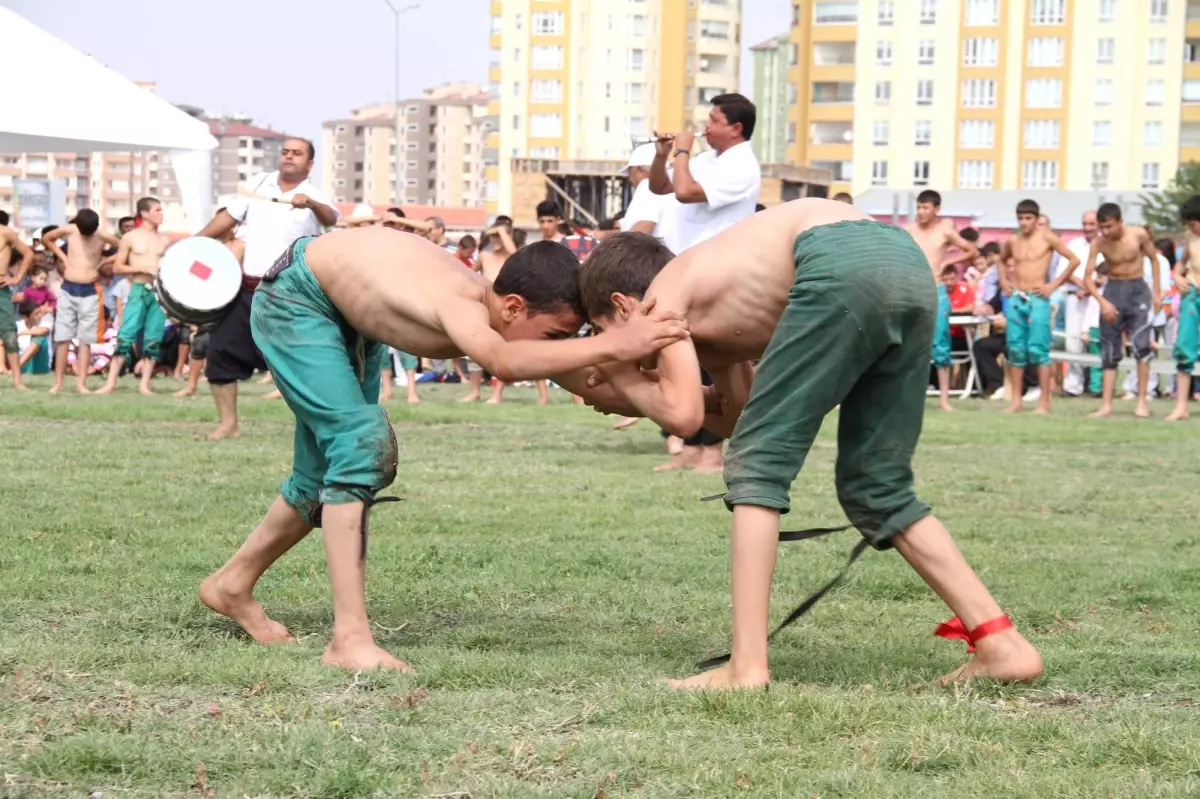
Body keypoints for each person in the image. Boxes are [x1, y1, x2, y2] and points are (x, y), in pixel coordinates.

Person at [570, 200, 1042, 690]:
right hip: (901, 260)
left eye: (605, 335)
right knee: (876, 485)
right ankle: (1001, 644)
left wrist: (621, 383)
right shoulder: (709, 307)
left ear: (624, 305)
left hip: (837, 256)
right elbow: (736, 413)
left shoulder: (662, 297)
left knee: (757, 469)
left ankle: (746, 668)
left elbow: (686, 416)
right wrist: (636, 395)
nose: (611, 348)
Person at [198, 229, 688, 672]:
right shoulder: (464, 304)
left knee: (323, 473)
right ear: (514, 307)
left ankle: (231, 584)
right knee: (359, 447)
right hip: (298, 297)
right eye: (558, 335)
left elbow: (591, 383)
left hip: (345, 318)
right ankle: (348, 640)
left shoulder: (513, 323)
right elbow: (505, 361)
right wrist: (621, 345)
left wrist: (705, 403)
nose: (562, 346)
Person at [647, 93, 762, 472]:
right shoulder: (709, 159)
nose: (705, 126)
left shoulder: (742, 165)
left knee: (714, 360)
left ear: (736, 128)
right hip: (687, 268)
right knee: (686, 361)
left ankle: (712, 451)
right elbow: (661, 187)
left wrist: (681, 152)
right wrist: (665, 155)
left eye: (713, 120)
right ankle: (693, 448)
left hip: (720, 272)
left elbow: (685, 192)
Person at [193, 137, 337, 438]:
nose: (288, 157)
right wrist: (195, 242)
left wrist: (308, 203)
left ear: (309, 164)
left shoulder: (313, 195)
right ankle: (228, 424)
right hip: (246, 288)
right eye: (285, 152)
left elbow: (331, 219)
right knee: (219, 352)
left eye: (296, 154)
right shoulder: (258, 184)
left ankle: (320, 427)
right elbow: (228, 218)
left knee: (303, 362)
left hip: (290, 292)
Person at [997, 199, 1080, 414]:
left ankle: (1044, 403)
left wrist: (1052, 285)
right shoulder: (1013, 241)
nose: (1024, 222)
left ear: (1036, 218)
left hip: (1038, 298)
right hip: (1017, 297)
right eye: (1021, 218)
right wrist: (1004, 281)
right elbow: (1000, 260)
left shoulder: (1047, 238)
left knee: (1039, 350)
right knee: (1015, 349)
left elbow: (1074, 260)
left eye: (1028, 218)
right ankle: (1016, 401)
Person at [1082, 203, 1163, 419]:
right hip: (1113, 290)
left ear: (1120, 222)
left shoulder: (1138, 235)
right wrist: (1102, 301)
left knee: (1141, 346)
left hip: (1138, 290)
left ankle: (1142, 401)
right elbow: (1087, 278)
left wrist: (1156, 293)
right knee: (1108, 349)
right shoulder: (1099, 243)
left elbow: (1154, 260)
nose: (1106, 232)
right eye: (1102, 227)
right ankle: (1106, 405)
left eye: (1109, 226)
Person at [904, 190, 979, 412]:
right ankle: (910, 397)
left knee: (940, 345)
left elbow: (971, 250)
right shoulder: (909, 231)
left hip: (936, 290)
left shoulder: (945, 230)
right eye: (918, 207)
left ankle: (944, 400)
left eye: (925, 207)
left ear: (936, 209)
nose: (921, 212)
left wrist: (948, 261)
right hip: (914, 290)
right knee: (910, 346)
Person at [98, 197, 173, 396]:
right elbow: (117, 266)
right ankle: (110, 383)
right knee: (125, 335)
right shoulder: (131, 237)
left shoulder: (164, 240)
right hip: (138, 288)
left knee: (153, 338)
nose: (161, 213)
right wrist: (141, 267)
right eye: (157, 210)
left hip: (158, 291)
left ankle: (144, 384)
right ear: (145, 213)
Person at [41, 209, 119, 394]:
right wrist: (62, 255)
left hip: (90, 289)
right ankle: (58, 382)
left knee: (86, 340)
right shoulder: (69, 229)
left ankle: (81, 384)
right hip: (68, 288)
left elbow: (123, 247)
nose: (86, 235)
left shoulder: (102, 235)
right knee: (62, 338)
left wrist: (104, 262)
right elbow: (47, 238)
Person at [175, 218, 244, 399]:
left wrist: (212, 271)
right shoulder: (209, 248)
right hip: (212, 300)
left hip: (237, 300)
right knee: (200, 342)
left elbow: (231, 270)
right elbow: (197, 270)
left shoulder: (240, 246)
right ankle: (191, 385)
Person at [1168, 196, 1200, 422]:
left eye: (1193, 223)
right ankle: (1181, 407)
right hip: (1192, 296)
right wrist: (1177, 276)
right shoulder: (1190, 237)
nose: (1189, 228)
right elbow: (1181, 263)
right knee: (1184, 348)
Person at [1062, 211, 1100, 396]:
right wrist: (1082, 284)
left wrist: (1090, 287)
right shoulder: (1074, 245)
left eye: (1092, 224)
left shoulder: (1106, 245)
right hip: (1074, 296)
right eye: (1085, 224)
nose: (1087, 228)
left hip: (1098, 299)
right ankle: (1073, 386)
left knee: (1096, 342)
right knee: (1073, 342)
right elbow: (1064, 271)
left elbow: (1107, 272)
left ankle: (1096, 386)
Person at [0, 210, 34, 389]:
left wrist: (17, 277)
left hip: (1, 289)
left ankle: (17, 381)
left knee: (9, 335)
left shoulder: (5, 231)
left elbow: (28, 253)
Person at [15, 299, 53, 375]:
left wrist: (20, 334)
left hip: (40, 365)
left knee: (39, 337)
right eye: (36, 314)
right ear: (26, 317)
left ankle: (15, 369)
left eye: (40, 313)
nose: (40, 316)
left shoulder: (45, 323)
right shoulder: (17, 325)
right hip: (23, 364)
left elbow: (42, 331)